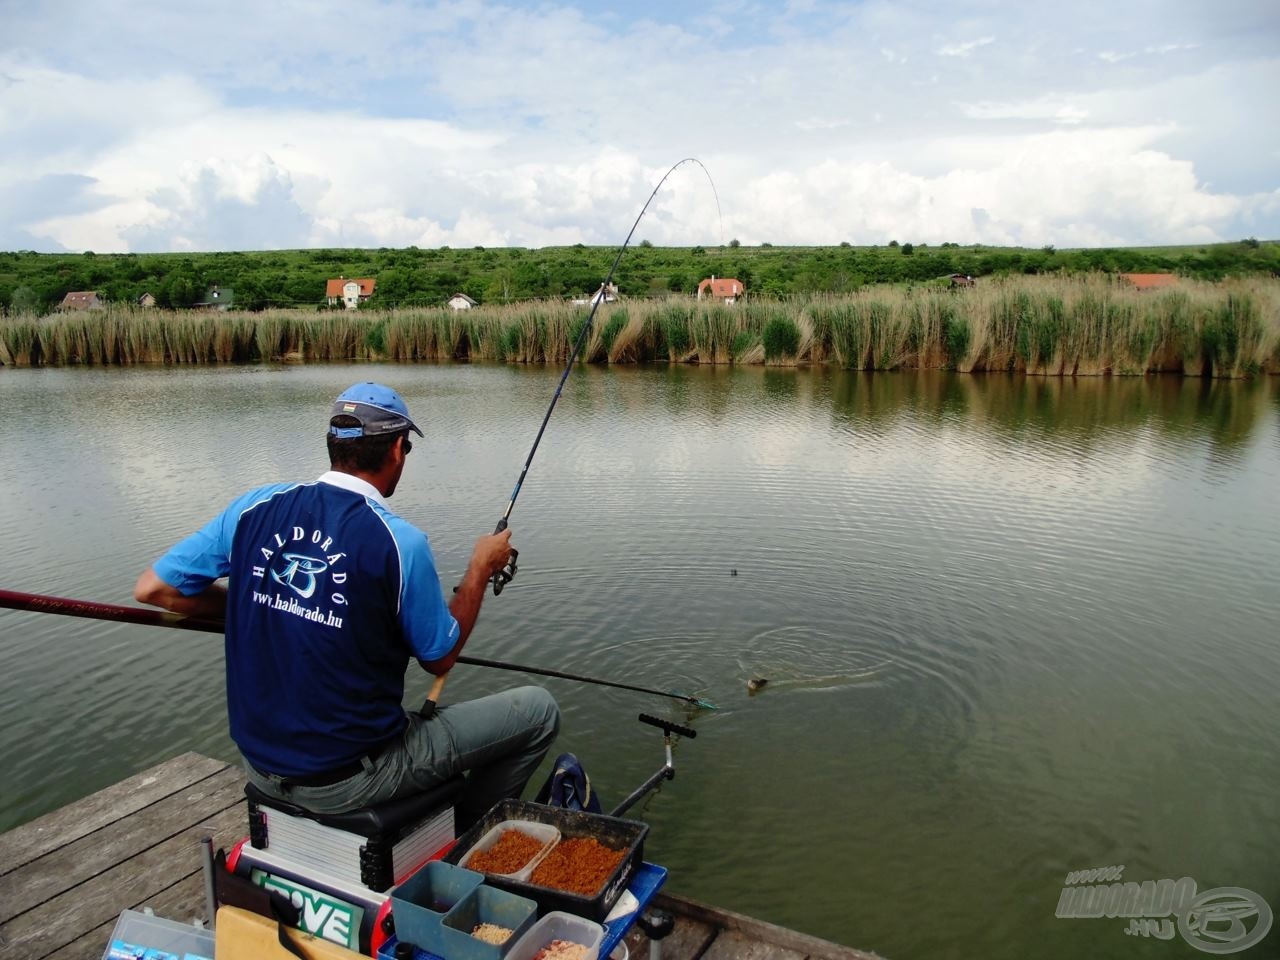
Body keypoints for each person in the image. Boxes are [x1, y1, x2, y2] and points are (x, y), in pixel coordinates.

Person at [134, 382, 560, 829]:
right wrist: (478, 568)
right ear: (397, 449)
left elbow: (154, 589)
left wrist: (260, 602)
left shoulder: (254, 506)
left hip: (260, 766)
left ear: (334, 445)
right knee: (537, 711)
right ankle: (470, 836)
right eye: (408, 448)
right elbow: (440, 657)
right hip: (350, 778)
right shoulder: (399, 543)